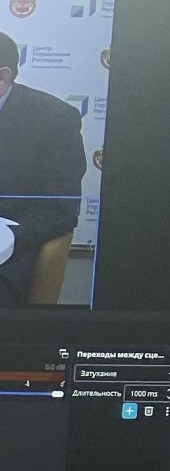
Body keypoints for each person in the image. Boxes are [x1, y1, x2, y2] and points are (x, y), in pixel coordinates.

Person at [0, 31, 88, 307]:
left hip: (9, 254)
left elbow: (60, 209)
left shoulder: (54, 120)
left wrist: (7, 237)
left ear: (3, 77)